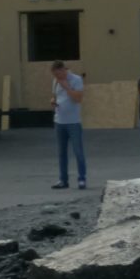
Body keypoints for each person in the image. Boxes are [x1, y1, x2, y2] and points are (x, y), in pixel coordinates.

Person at [49, 60, 88, 188]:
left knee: (78, 151)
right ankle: (63, 179)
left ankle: (82, 178)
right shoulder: (55, 81)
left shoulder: (76, 79)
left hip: (73, 122)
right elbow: (55, 96)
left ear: (63, 70)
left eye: (58, 74)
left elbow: (78, 99)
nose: (57, 77)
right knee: (62, 152)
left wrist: (66, 86)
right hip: (59, 121)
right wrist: (53, 101)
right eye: (55, 75)